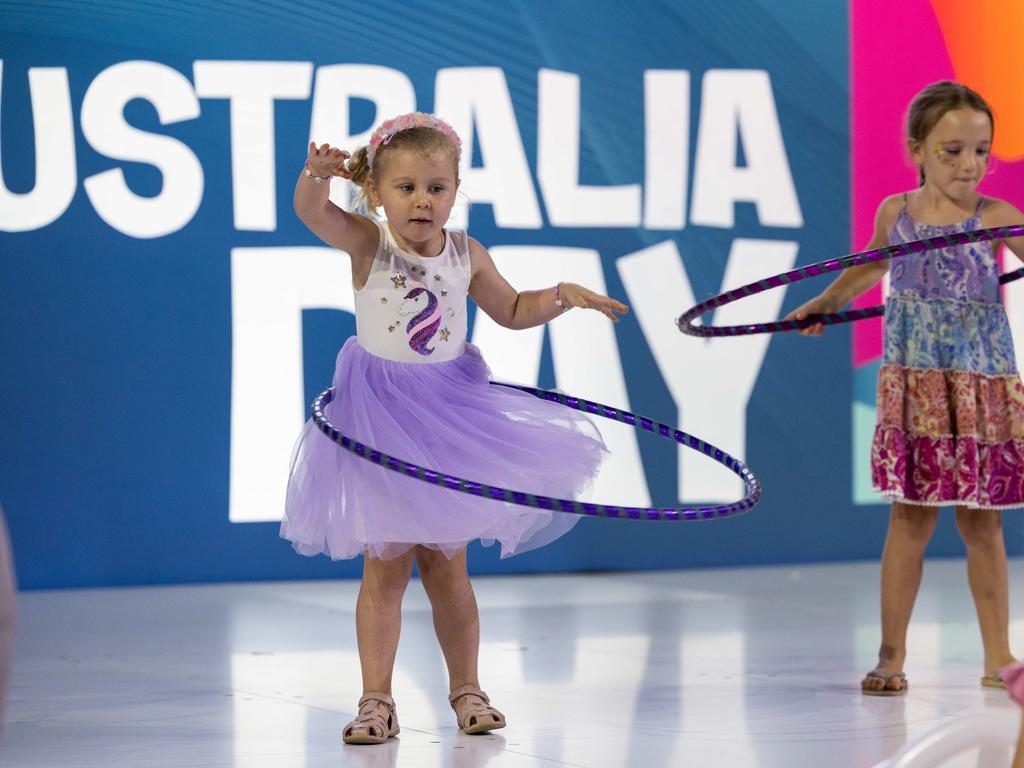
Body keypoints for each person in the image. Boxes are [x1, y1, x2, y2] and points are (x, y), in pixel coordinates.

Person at [282, 112, 628, 743]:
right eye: (406, 187)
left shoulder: (467, 253)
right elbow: (315, 214)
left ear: (455, 189)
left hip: (448, 416)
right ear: (378, 193)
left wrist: (561, 296)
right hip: (381, 418)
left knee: (448, 565)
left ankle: (467, 688)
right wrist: (315, 174)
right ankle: (375, 701)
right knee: (384, 566)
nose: (422, 200)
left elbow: (514, 309)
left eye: (436, 188)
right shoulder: (370, 243)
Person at [787, 82, 1023, 696]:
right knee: (910, 521)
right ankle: (890, 656)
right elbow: (869, 263)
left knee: (983, 525)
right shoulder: (896, 212)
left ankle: (1000, 658)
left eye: (981, 151)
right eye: (952, 152)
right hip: (917, 384)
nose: (969, 166)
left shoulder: (997, 217)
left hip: (979, 383)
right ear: (917, 149)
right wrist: (827, 301)